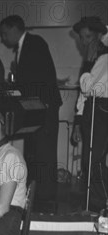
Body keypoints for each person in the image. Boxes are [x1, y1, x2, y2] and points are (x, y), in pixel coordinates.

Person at [0, 15, 62, 210]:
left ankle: (44, 199)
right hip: (37, 108)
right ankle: (38, 197)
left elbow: (36, 80)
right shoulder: (26, 46)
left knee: (44, 152)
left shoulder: (34, 43)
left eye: (4, 33)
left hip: (44, 107)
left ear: (14, 28)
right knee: (37, 152)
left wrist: (17, 86)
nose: (2, 38)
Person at [70, 16, 108, 213]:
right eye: (82, 37)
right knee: (89, 161)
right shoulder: (94, 57)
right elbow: (84, 96)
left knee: (94, 161)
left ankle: (100, 205)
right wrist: (77, 121)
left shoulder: (103, 57)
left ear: (99, 36)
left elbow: (87, 87)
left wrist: (87, 64)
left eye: (88, 37)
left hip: (102, 111)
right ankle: (93, 204)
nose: (84, 42)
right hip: (92, 111)